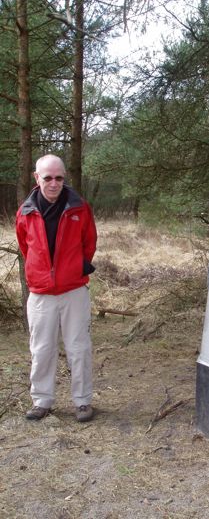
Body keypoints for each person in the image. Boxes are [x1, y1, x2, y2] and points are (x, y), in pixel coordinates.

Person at [16, 154, 97, 422]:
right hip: (40, 294)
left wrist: (77, 267)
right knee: (41, 349)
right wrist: (41, 274)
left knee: (79, 347)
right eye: (48, 178)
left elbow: (89, 242)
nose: (54, 183)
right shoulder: (25, 212)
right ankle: (42, 400)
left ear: (65, 178)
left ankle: (83, 402)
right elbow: (26, 246)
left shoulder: (79, 208)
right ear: (36, 178)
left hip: (74, 291)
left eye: (59, 177)